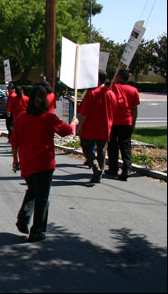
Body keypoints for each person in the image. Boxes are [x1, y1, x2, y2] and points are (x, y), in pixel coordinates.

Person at [11, 85, 78, 242]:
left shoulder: (21, 117)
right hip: (44, 163)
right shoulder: (48, 118)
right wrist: (74, 123)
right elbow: (66, 131)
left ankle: (23, 217)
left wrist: (15, 160)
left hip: (27, 162)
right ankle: (37, 230)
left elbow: (14, 141)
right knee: (42, 197)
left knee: (33, 190)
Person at [78, 70, 117, 183]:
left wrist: (80, 126)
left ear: (98, 79)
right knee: (102, 151)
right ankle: (100, 171)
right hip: (104, 127)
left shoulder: (91, 93)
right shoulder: (110, 93)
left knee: (87, 149)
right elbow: (114, 108)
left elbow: (84, 112)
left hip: (90, 127)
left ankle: (96, 167)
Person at [107, 69, 140, 181]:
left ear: (119, 77)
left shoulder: (113, 88)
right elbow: (134, 109)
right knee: (126, 146)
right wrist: (134, 123)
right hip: (127, 121)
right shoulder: (134, 90)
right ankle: (127, 168)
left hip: (114, 121)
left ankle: (113, 168)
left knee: (112, 146)